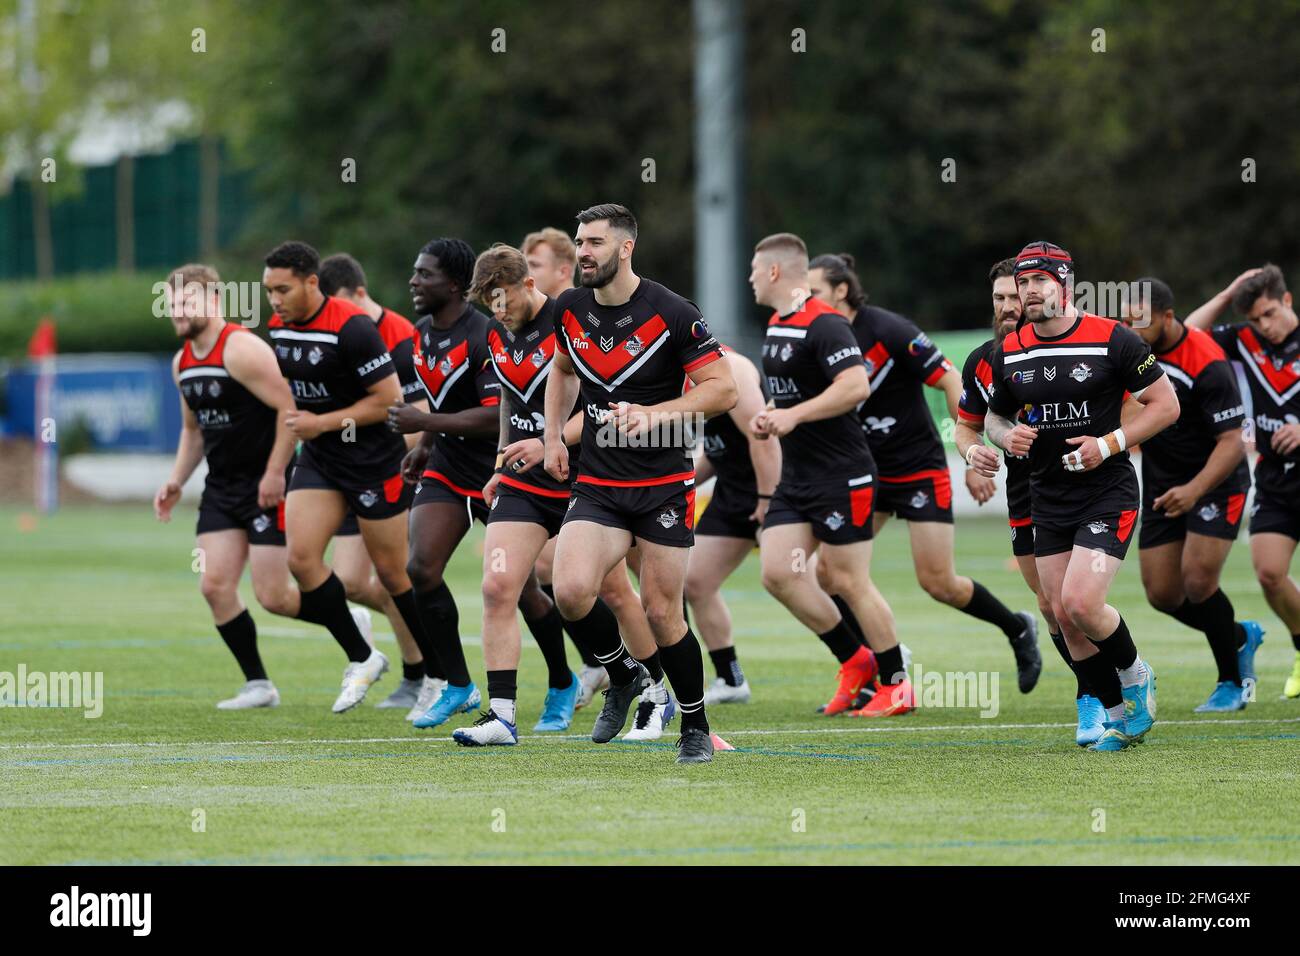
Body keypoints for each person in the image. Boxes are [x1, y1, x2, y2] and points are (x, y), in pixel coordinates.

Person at [543, 203, 738, 764]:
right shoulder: (570, 309)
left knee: (660, 612)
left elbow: (723, 390)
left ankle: (695, 725)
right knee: (572, 591)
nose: (583, 252)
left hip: (662, 485)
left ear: (625, 248)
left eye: (596, 243)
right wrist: (556, 436)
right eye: (580, 242)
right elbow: (560, 369)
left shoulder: (673, 311)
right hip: (598, 483)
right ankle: (624, 675)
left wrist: (657, 415)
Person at [808, 253, 1041, 694]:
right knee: (829, 573)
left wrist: (973, 455)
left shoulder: (888, 330)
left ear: (841, 291)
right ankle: (885, 660)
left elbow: (952, 382)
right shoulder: (818, 334)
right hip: (866, 472)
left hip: (917, 468)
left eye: (814, 291)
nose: (805, 300)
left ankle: (1017, 627)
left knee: (938, 582)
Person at [979, 241, 1178, 751]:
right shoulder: (1011, 348)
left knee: (1082, 602)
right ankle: (1116, 716)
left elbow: (1165, 404)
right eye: (1023, 283)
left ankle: (1136, 674)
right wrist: (1003, 436)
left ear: (1065, 284)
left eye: (1040, 280)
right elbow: (994, 415)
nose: (1030, 291)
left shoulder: (1112, 339)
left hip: (1106, 490)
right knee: (1062, 616)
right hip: (1047, 495)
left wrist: (1108, 444)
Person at [749, 233, 912, 718]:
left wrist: (793, 416)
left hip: (843, 475)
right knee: (779, 573)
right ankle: (855, 659)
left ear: (776, 272)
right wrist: (774, 412)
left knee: (846, 579)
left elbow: (855, 385)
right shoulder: (779, 322)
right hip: (798, 478)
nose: (750, 278)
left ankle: (898, 683)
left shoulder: (826, 323)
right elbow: (800, 390)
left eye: (755, 270)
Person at [265, 241, 430, 712]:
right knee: (302, 559)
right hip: (320, 461)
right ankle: (364, 656)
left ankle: (440, 672)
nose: (274, 300)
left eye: (282, 289)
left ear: (311, 283)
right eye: (268, 290)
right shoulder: (279, 328)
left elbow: (391, 403)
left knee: (396, 576)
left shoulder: (364, 330)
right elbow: (291, 405)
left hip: (376, 463)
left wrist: (324, 422)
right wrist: (278, 465)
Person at [956, 258, 1104, 743]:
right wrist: (974, 452)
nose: (1007, 307)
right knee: (1048, 603)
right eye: (998, 298)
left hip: (1084, 483)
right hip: (1025, 489)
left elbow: (1126, 401)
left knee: (1075, 601)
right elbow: (967, 424)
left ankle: (1097, 696)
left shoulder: (1077, 343)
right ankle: (1100, 688)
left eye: (1014, 297)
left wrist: (1104, 443)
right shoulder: (984, 359)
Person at [154, 263, 299, 709]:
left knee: (273, 596)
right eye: (173, 303)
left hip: (265, 485)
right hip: (220, 488)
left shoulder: (242, 349)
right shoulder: (182, 361)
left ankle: (345, 621)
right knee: (213, 585)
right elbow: (193, 431)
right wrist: (177, 480)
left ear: (215, 302)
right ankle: (259, 685)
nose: (178, 311)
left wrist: (276, 471)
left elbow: (289, 408)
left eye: (188, 302)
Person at [387, 238, 500, 727]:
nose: (414, 281)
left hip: (502, 470)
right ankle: (459, 684)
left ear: (454, 285)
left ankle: (565, 679)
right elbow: (441, 405)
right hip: (448, 468)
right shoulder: (419, 336)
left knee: (541, 587)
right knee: (421, 569)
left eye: (425, 274)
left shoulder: (486, 336)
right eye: (415, 272)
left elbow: (496, 418)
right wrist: (426, 450)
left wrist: (425, 427)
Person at [317, 252, 429, 710]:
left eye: (341, 305)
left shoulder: (402, 337)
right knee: (349, 580)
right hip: (343, 470)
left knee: (395, 577)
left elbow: (418, 415)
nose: (336, 316)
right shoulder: (329, 332)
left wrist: (414, 471)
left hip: (393, 471)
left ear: (359, 294)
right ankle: (420, 660)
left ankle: (423, 672)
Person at [522, 226, 625, 707]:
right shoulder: (556, 317)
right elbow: (555, 381)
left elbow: (608, 399)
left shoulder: (597, 313)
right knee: (560, 575)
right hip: (574, 467)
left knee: (634, 592)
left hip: (626, 465)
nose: (526, 274)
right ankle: (607, 666)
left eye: (534, 265)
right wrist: (546, 440)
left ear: (564, 270)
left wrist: (551, 441)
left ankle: (655, 685)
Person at [1185, 264, 1299, 698]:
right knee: (1270, 573)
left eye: (1269, 313)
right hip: (1275, 477)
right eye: (1254, 318)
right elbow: (1188, 334)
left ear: (1287, 300)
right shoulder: (1244, 340)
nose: (1263, 326)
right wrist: (1228, 290)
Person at [688, 347, 782, 705]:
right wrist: (681, 482)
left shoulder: (732, 368)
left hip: (771, 488)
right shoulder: (687, 373)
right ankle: (730, 679)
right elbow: (718, 448)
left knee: (803, 580)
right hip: (732, 491)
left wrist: (767, 499)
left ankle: (874, 657)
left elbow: (763, 437)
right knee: (695, 581)